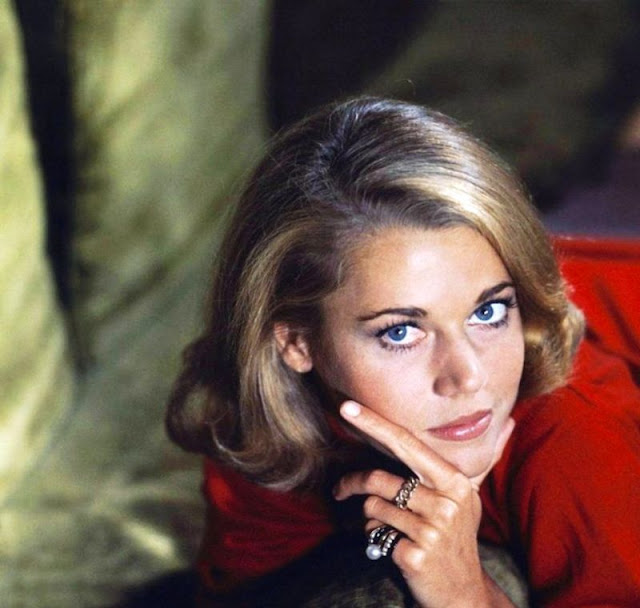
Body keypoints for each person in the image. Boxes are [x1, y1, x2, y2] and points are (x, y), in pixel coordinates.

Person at [166, 97, 640, 607]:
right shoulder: (267, 417)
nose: (468, 377)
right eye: (401, 332)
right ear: (296, 343)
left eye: (488, 312)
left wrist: (467, 595)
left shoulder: (572, 431)